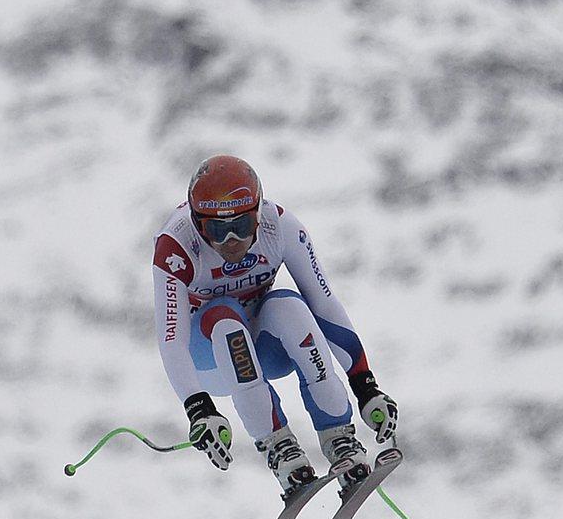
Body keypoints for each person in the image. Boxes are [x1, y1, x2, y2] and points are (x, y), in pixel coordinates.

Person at [152, 154, 398, 500]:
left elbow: (323, 303)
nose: (231, 241)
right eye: (217, 230)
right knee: (223, 315)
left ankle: (340, 437)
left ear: (258, 212)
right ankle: (279, 448)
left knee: (289, 305)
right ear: (196, 222)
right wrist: (199, 408)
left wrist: (364, 385)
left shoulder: (279, 226)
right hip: (211, 361)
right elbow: (171, 339)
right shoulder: (177, 246)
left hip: (265, 347)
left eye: (241, 225)